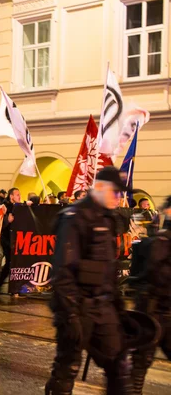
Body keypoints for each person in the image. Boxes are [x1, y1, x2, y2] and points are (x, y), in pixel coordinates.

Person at [45, 166, 132, 394]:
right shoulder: (74, 218)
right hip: (78, 307)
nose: (118, 197)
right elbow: (63, 271)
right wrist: (71, 314)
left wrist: (118, 306)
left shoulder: (108, 218)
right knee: (67, 367)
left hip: (102, 306)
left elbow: (108, 268)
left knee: (119, 362)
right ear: (100, 187)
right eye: (115, 192)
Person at [130, 195, 171, 394]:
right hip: (153, 310)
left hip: (159, 308)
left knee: (140, 362)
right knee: (140, 362)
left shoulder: (158, 240)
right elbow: (153, 273)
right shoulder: (160, 240)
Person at [0, 188, 21, 293]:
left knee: (11, 262)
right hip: (5, 238)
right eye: (17, 195)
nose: (19, 197)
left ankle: (1, 283)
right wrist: (8, 220)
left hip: (13, 238)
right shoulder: (5, 207)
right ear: (11, 196)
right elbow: (1, 224)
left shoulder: (17, 207)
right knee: (9, 261)